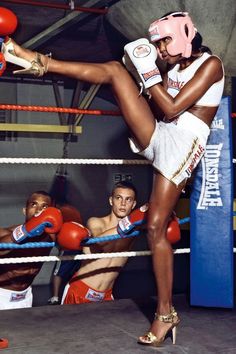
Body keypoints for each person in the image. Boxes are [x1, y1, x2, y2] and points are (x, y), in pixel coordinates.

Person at [2, 11, 224, 346]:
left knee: (155, 228)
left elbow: (173, 107)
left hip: (183, 143)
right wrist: (141, 76)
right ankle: (37, 61)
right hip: (161, 133)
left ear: (183, 34)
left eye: (164, 41)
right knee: (115, 71)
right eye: (158, 44)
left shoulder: (211, 65)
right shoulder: (172, 67)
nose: (160, 49)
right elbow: (157, 104)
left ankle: (165, 314)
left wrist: (148, 72)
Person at [0, 192, 89, 310]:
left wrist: (83, 234)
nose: (39, 210)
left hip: (26, 296)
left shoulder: (50, 238)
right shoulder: (6, 233)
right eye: (34, 205)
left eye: (44, 207)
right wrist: (25, 231)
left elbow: (79, 245)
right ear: (24, 210)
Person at [61, 181, 139, 304]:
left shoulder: (134, 231)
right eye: (118, 198)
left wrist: (168, 217)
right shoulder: (96, 222)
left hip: (106, 296)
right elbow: (99, 242)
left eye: (128, 200)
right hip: (79, 292)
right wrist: (132, 220)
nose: (123, 203)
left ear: (133, 204)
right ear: (111, 201)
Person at [48, 204, 83, 305]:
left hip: (68, 246)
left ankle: (55, 297)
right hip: (80, 245)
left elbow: (60, 229)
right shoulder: (73, 210)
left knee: (57, 273)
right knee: (76, 271)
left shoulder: (61, 212)